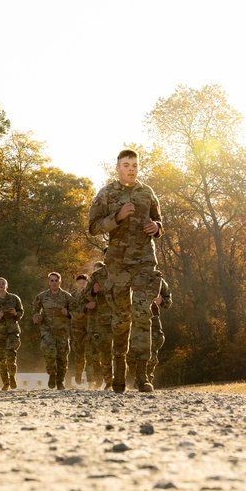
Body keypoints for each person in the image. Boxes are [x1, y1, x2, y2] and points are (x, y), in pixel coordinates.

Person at [87, 148, 164, 393]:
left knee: (143, 312)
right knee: (122, 320)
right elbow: (94, 227)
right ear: (117, 168)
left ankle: (141, 373)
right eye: (126, 165)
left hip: (144, 260)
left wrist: (157, 227)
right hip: (118, 264)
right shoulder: (106, 193)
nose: (131, 168)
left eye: (134, 165)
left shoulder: (147, 192)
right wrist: (117, 217)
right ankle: (119, 370)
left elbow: (159, 219)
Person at [127, 271, 171, 389]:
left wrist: (161, 300)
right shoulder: (128, 274)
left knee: (152, 351)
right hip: (131, 320)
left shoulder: (157, 280)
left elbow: (168, 301)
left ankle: (146, 379)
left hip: (152, 320)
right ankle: (137, 377)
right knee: (130, 354)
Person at [32, 272, 74, 389]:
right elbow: (35, 310)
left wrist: (69, 313)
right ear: (48, 282)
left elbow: (78, 311)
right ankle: (51, 374)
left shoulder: (67, 297)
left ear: (60, 282)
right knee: (50, 352)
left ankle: (59, 381)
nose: (54, 283)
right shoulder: (41, 296)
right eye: (52, 280)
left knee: (62, 358)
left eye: (56, 280)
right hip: (47, 330)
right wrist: (36, 317)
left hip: (62, 331)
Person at [87, 261, 114, 390]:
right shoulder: (97, 275)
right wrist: (93, 291)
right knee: (106, 350)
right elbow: (84, 294)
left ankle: (124, 379)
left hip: (123, 317)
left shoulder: (126, 271)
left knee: (123, 350)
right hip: (105, 319)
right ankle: (109, 381)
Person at [69, 273, 94, 386]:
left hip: (89, 326)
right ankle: (78, 373)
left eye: (84, 283)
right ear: (77, 284)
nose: (82, 285)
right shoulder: (72, 296)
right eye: (80, 283)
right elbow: (72, 311)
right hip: (76, 328)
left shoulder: (90, 294)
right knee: (79, 353)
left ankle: (90, 380)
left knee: (89, 353)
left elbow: (94, 306)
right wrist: (84, 308)